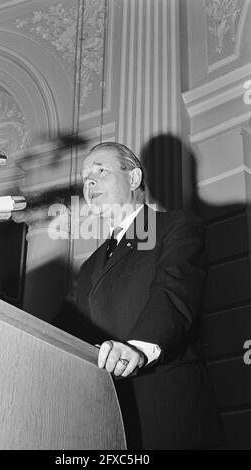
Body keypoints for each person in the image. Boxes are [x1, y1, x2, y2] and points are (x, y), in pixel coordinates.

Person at [76, 142, 224, 449]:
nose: (89, 181)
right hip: (107, 414)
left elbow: (172, 292)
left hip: (167, 408)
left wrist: (139, 348)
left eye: (100, 170)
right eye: (85, 176)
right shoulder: (90, 265)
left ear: (133, 179)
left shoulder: (175, 227)